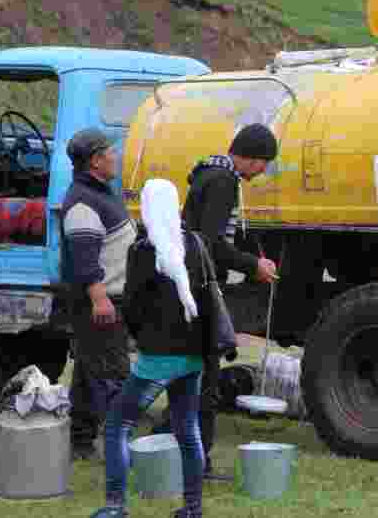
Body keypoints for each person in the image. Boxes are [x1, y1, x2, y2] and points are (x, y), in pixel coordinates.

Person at [153, 123, 280, 480]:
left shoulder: (210, 174)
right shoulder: (224, 182)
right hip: (201, 288)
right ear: (252, 157)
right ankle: (196, 461)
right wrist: (252, 265)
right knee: (206, 380)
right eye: (264, 163)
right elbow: (210, 243)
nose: (263, 171)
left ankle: (164, 443)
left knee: (191, 375)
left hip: (189, 286)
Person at [90, 179, 216, 518]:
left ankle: (115, 506)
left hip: (158, 357)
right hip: (192, 355)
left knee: (118, 425)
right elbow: (207, 297)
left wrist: (140, 338)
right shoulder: (196, 243)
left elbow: (132, 306)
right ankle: (192, 509)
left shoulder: (143, 250)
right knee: (188, 430)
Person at [61, 128, 136, 460]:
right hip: (101, 300)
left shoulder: (101, 194)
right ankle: (119, 446)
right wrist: (99, 297)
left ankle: (79, 441)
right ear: (94, 161)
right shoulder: (82, 202)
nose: (114, 157)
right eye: (109, 152)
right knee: (112, 374)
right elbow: (83, 256)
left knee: (89, 372)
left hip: (106, 298)